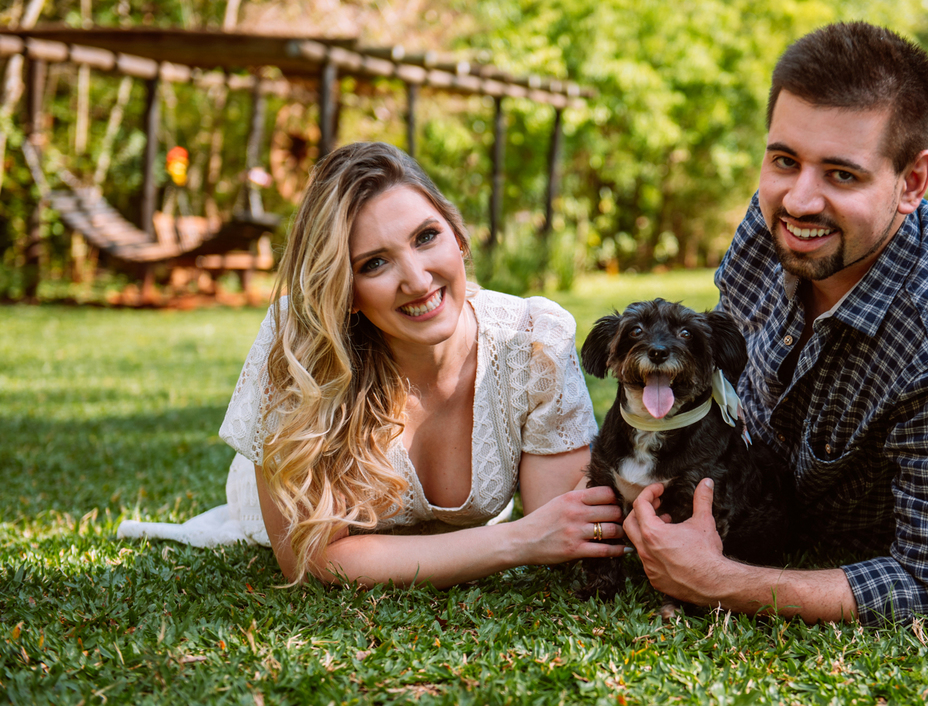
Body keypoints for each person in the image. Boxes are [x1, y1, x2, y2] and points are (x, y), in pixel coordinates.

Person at [622, 22, 928, 626]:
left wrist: (717, 580)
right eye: (784, 160)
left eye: (842, 174)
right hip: (748, 491)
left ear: (911, 182)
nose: (799, 201)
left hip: (839, 547)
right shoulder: (777, 221)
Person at [120, 142, 626, 587]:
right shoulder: (303, 348)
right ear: (345, 291)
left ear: (457, 235)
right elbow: (314, 559)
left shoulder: (531, 339)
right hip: (266, 507)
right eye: (374, 263)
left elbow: (565, 523)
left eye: (426, 236)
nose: (417, 280)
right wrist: (515, 542)